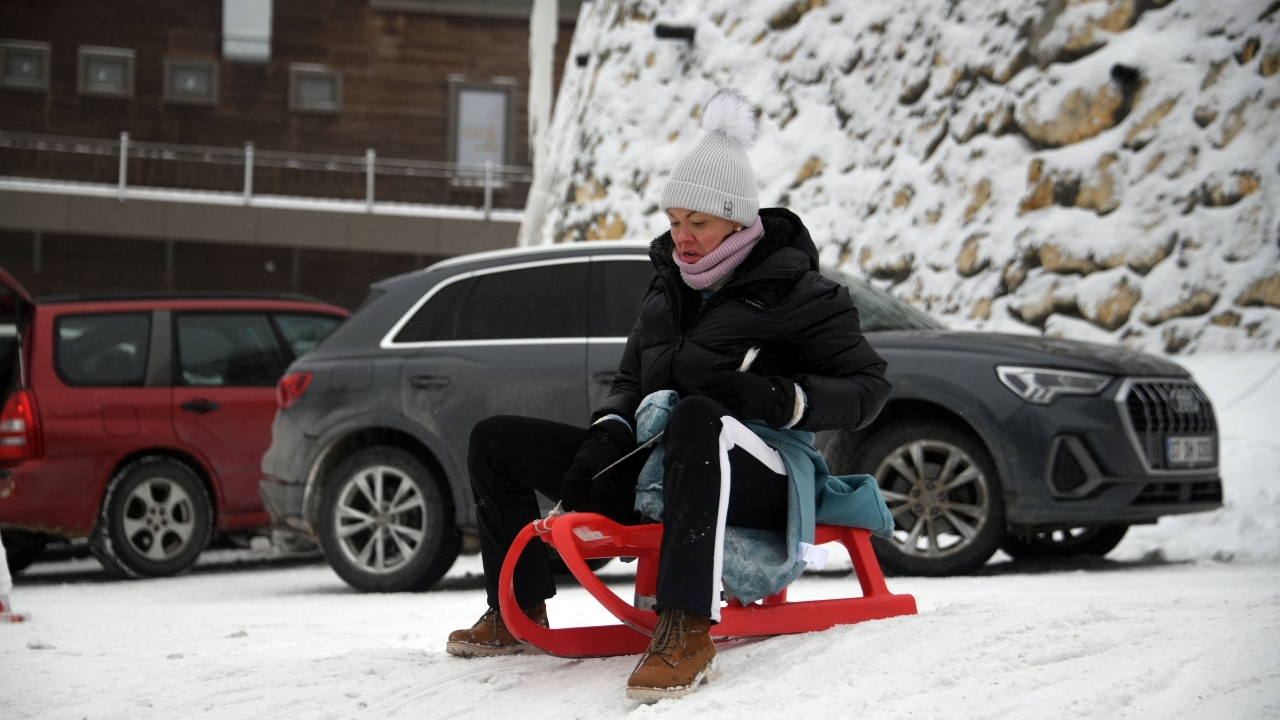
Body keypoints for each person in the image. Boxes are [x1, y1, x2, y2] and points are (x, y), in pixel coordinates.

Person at [446, 89, 891, 701]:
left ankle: (686, 626)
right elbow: (631, 384)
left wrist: (773, 396)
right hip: (667, 461)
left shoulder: (800, 292)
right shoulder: (666, 291)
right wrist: (606, 435)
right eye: (675, 221)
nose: (682, 238)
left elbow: (869, 390)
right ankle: (515, 610)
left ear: (738, 219)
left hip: (763, 475)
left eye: (698, 224)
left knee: (700, 417)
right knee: (494, 439)